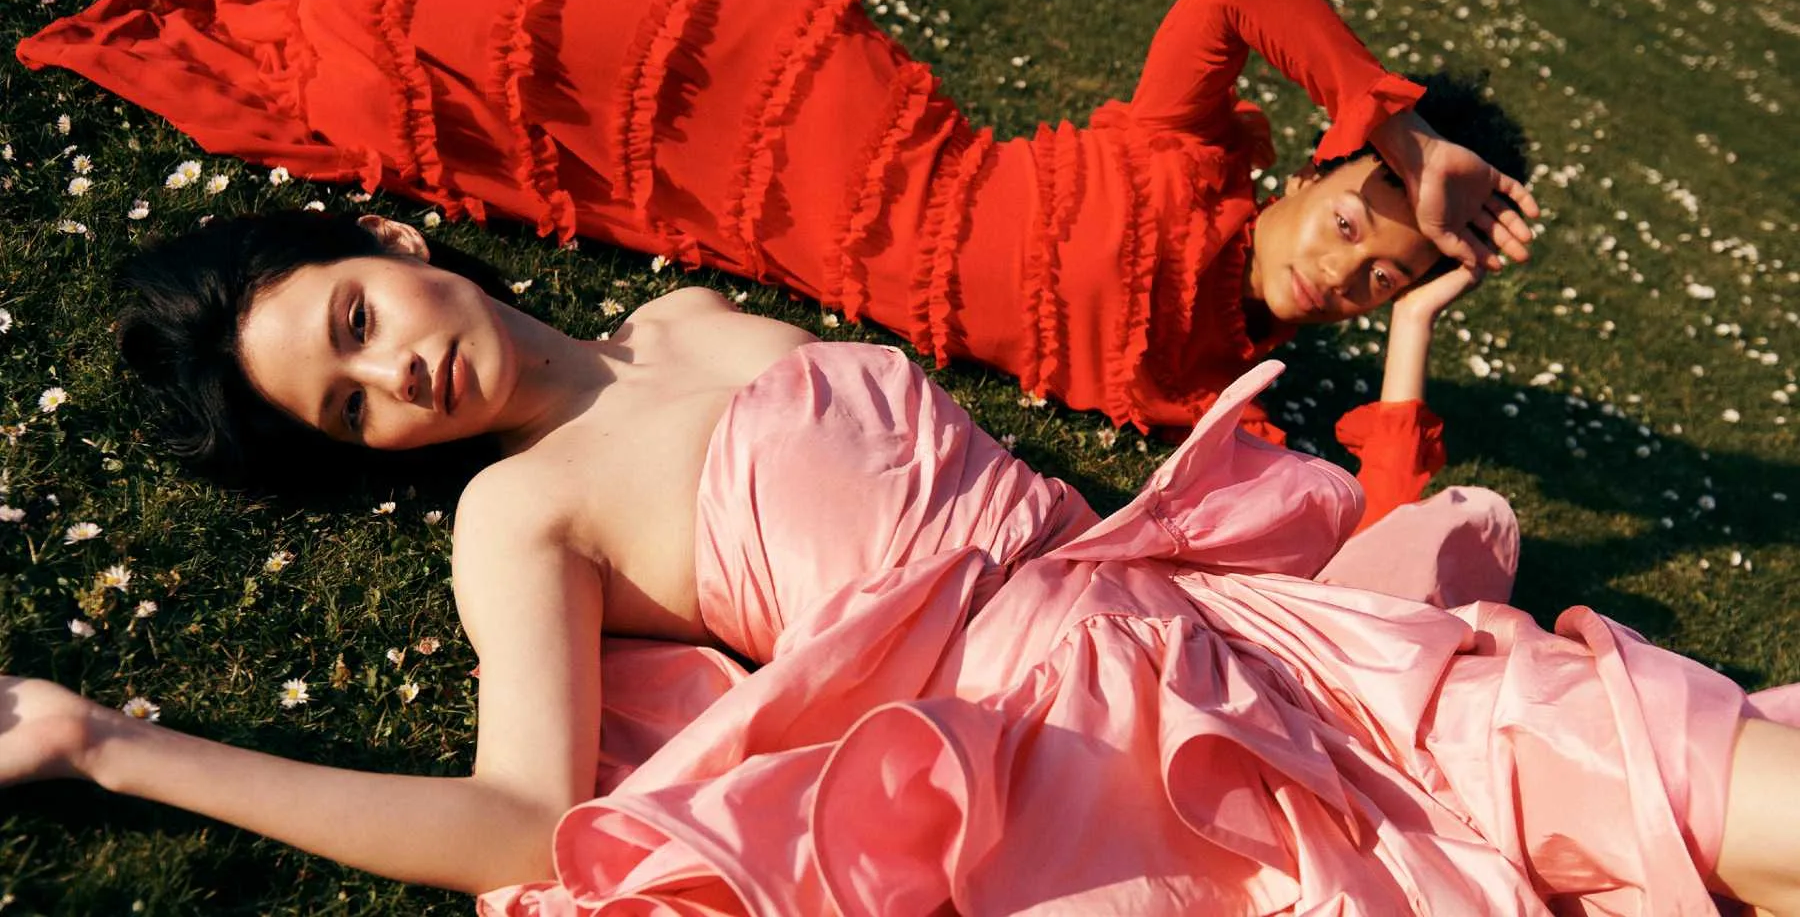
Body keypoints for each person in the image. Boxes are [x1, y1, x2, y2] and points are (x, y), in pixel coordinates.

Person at [3, 205, 1799, 916]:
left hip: (1247, 628)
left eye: (354, 320)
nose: (395, 377)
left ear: (395, 243)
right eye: (348, 412)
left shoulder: (682, 315)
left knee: (1722, 804)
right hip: (1101, 771)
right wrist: (114, 745)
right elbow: (520, 820)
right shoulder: (518, 513)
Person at [15, 0, 1542, 530]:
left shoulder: (1209, 387)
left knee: (463, 141)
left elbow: (1373, 535)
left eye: (1380, 282)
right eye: (1360, 216)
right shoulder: (1184, 148)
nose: (1350, 265)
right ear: (1315, 166)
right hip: (808, 99)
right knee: (375, 30)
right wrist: (1404, 130)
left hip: (761, 229)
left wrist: (1414, 334)